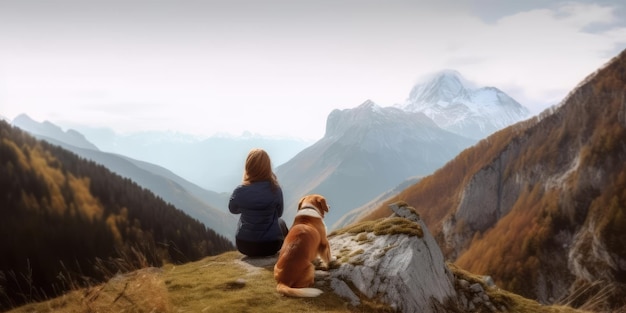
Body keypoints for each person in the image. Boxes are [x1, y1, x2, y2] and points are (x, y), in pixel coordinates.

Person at [229, 148, 289, 257]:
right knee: (281, 222)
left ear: (248, 167)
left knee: (242, 221)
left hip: (244, 245)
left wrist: (247, 207)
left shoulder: (240, 190)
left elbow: (232, 209)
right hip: (271, 246)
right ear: (268, 168)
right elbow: (279, 213)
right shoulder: (275, 190)